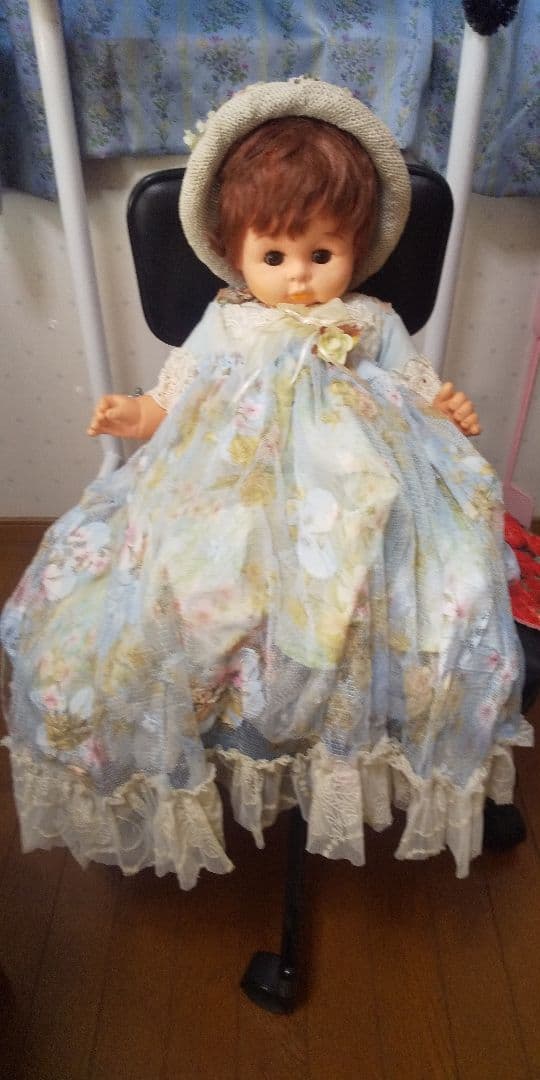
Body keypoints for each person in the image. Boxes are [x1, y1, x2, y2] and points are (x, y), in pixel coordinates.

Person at [1, 78, 531, 889]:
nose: (299, 279)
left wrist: (447, 406)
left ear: (357, 246)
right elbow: (175, 393)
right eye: (274, 257)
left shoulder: (372, 320)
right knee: (183, 572)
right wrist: (135, 414)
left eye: (322, 255)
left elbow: (418, 388)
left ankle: (359, 703)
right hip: (235, 487)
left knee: (424, 572)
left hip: (366, 487)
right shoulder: (227, 319)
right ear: (234, 251)